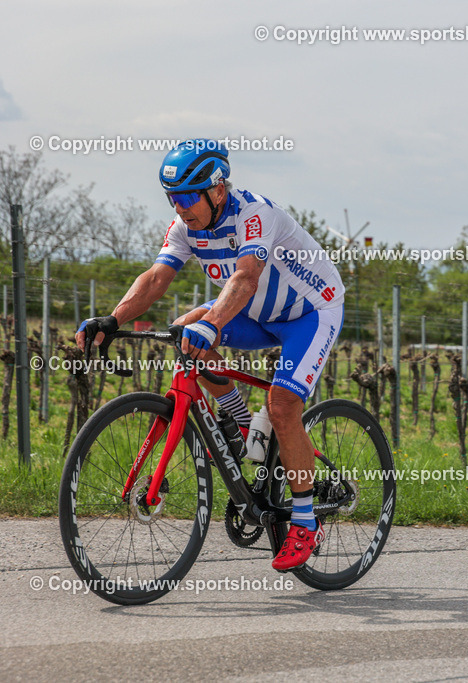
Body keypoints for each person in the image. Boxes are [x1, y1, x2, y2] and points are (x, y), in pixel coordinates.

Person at [75, 139, 345, 571]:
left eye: (186, 197)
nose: (180, 208)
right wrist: (113, 319)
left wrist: (213, 322)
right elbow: (156, 278)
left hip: (310, 313)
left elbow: (245, 278)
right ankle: (238, 420)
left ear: (217, 189)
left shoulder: (254, 215)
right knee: (186, 331)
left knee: (281, 405)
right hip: (258, 315)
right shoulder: (184, 226)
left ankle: (305, 520)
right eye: (172, 198)